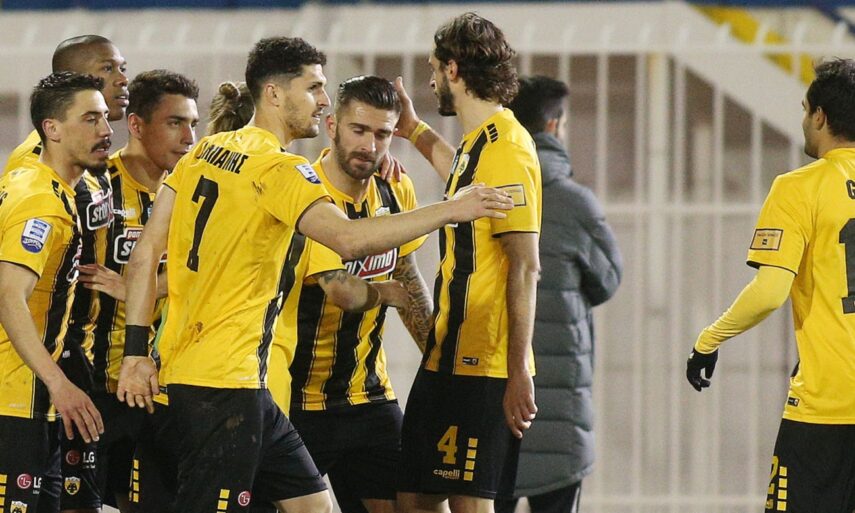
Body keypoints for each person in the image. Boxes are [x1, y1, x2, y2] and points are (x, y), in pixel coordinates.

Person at [116, 36, 513, 513]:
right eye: (313, 87)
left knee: (314, 506)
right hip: (224, 388)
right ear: (274, 94)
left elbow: (145, 255)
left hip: (228, 381)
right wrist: (451, 209)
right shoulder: (281, 171)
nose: (323, 99)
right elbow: (347, 239)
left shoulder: (205, 152)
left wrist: (135, 352)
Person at [686, 58, 855, 513]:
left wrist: (708, 340)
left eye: (804, 109)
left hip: (828, 405)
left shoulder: (799, 188)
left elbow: (769, 292)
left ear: (820, 116)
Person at [392, 13, 542, 513]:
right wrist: (413, 130)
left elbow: (525, 266)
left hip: (484, 364)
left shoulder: (509, 146)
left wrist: (517, 370)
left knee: (469, 505)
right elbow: (458, 169)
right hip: (446, 354)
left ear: (453, 70)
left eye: (434, 69)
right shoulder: (480, 143)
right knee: (414, 498)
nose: (432, 79)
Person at [282, 75, 434, 513]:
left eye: (382, 134)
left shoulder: (395, 188)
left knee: (419, 505)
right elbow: (342, 292)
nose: (369, 145)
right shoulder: (305, 192)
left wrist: (438, 360)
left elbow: (406, 277)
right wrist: (383, 293)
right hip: (296, 400)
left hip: (368, 396)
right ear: (332, 126)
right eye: (359, 130)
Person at [3, 34, 129, 513]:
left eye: (104, 118)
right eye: (90, 119)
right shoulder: (40, 198)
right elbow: (9, 296)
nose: (105, 129)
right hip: (17, 395)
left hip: (45, 388)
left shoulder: (62, 185)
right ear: (52, 129)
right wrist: (58, 381)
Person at [73, 69, 199, 513]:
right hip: (94, 386)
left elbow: (207, 270)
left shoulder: (193, 193)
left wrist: (141, 288)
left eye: (193, 124)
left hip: (162, 390)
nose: (188, 138)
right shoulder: (94, 185)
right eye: (175, 123)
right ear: (137, 125)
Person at [494, 76, 622, 513]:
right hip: (561, 417)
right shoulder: (575, 203)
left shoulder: (484, 194)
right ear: (553, 126)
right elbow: (608, 280)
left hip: (495, 409)